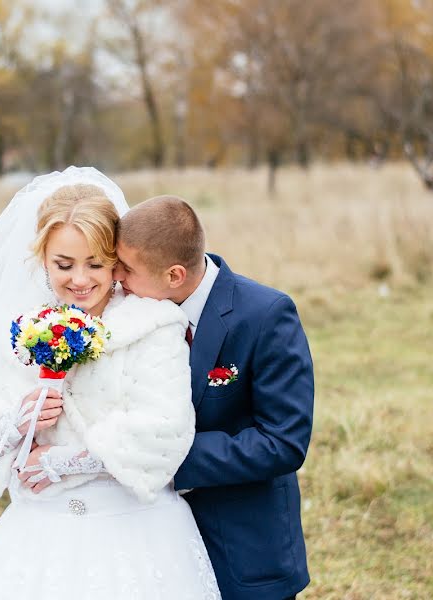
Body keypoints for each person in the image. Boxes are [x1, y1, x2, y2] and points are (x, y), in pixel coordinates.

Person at [0, 168, 221, 599]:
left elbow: (165, 428)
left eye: (96, 263)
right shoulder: (29, 328)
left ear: (116, 261)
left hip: (134, 525)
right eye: (63, 264)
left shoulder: (153, 325)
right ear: (43, 259)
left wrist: (64, 461)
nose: (80, 279)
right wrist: (15, 423)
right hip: (42, 524)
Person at [114, 196, 315, 600]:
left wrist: (167, 459)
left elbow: (283, 441)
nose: (116, 277)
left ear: (173, 275)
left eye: (127, 268)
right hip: (155, 546)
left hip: (244, 546)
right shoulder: (127, 314)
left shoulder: (265, 315)